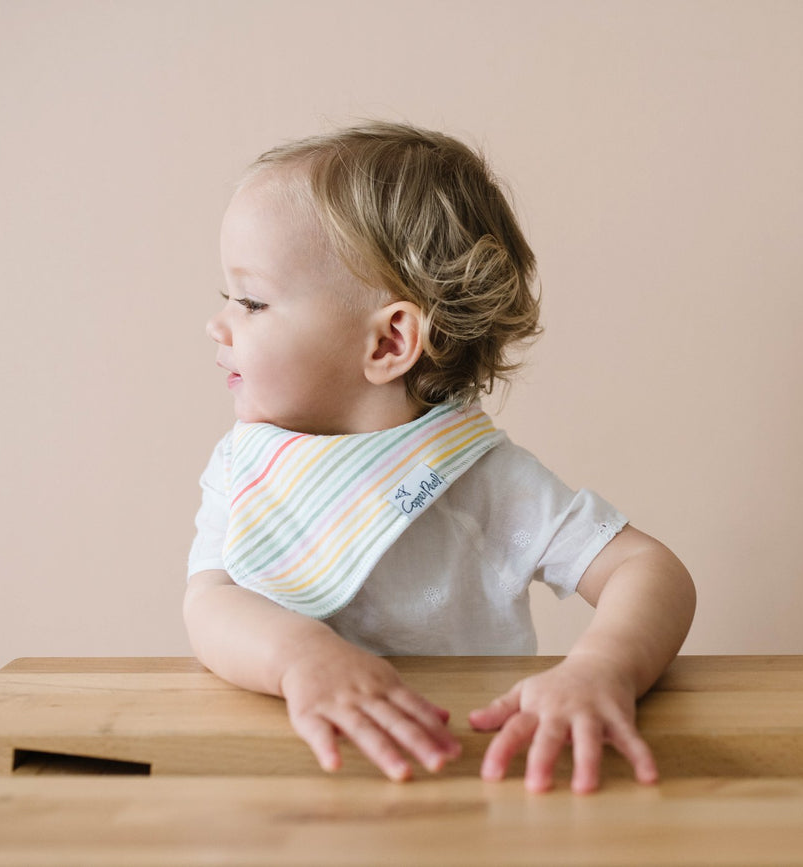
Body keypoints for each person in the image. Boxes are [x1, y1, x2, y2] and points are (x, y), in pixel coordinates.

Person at [185, 121, 696, 794]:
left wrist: (602, 667)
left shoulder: (476, 477)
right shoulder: (245, 468)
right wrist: (299, 657)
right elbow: (209, 602)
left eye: (250, 300)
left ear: (389, 341)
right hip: (293, 781)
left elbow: (647, 569)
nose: (216, 324)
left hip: (466, 772)